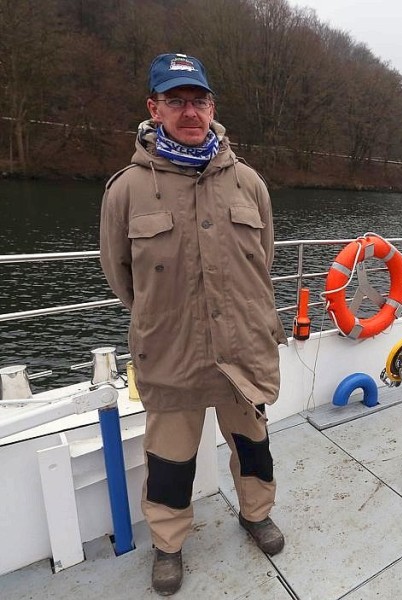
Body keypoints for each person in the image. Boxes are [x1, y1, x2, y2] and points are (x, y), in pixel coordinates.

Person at [100, 53, 288, 595]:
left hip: (242, 351)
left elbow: (264, 259)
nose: (189, 111)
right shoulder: (126, 189)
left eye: (198, 100)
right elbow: (120, 276)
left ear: (212, 107)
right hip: (171, 353)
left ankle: (256, 513)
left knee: (253, 445)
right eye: (176, 100)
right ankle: (168, 544)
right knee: (169, 462)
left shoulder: (248, 183)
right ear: (153, 108)